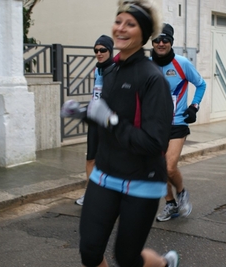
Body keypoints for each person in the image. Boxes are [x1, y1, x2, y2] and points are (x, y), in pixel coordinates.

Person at [79, 0, 179, 266]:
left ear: (144, 33)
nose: (121, 29)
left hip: (141, 181)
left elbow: (154, 142)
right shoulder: (110, 71)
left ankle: (164, 264)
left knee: (126, 258)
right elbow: (110, 121)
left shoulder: (152, 79)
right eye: (118, 21)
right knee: (89, 253)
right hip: (105, 174)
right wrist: (83, 114)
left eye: (130, 24)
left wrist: (110, 121)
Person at [151, 23, 206, 222]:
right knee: (158, 168)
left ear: (171, 42)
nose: (161, 43)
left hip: (177, 122)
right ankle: (170, 203)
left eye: (165, 40)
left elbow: (201, 84)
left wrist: (194, 106)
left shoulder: (182, 63)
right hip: (154, 125)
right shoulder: (147, 64)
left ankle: (181, 192)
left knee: (169, 167)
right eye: (157, 39)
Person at [75, 35, 115, 206]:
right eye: (96, 51)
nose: (99, 53)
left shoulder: (116, 70)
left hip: (109, 123)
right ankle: (91, 194)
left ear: (110, 51)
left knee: (109, 161)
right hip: (94, 121)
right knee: (91, 159)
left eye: (102, 50)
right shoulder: (97, 70)